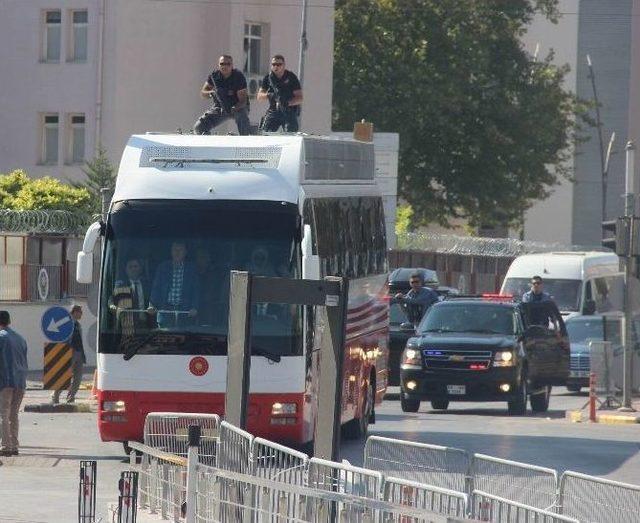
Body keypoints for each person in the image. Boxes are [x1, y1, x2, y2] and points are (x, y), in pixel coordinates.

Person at [193, 55, 251, 136]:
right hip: (220, 107)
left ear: (232, 65)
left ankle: (246, 142)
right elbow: (203, 93)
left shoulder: (238, 77)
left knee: (241, 116)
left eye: (228, 64)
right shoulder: (214, 76)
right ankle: (209, 145)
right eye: (222, 64)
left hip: (237, 107)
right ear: (219, 65)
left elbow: (243, 101)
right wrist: (212, 93)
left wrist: (234, 108)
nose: (225, 66)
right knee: (199, 127)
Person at [149, 242, 199, 327]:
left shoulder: (192, 269)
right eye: (175, 249)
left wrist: (195, 307)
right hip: (165, 311)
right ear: (171, 251)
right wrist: (152, 304)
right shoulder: (163, 267)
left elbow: (196, 290)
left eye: (180, 250)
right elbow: (156, 288)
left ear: (185, 252)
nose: (177, 252)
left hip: (185, 313)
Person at [0, 310, 28, 456]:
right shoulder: (20, 338)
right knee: (13, 414)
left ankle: (6, 447)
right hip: (20, 381)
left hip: (5, 382)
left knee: (3, 414)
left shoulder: (1, 337)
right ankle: (14, 445)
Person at [257, 55, 303, 132]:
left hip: (288, 110)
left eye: (279, 64)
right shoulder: (268, 78)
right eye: (273, 64)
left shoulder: (291, 77)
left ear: (284, 65)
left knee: (291, 133)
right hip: (274, 110)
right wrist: (269, 95)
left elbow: (299, 98)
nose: (276, 67)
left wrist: (287, 103)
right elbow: (259, 97)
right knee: (265, 133)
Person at [52, 305, 86, 405]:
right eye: (80, 312)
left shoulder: (78, 325)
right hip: (69, 351)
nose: (81, 314)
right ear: (74, 312)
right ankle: (56, 396)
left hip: (79, 352)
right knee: (64, 376)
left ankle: (71, 396)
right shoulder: (66, 323)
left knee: (78, 377)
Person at [111, 258, 151, 333]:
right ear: (126, 270)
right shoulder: (121, 285)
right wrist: (113, 306)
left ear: (140, 268)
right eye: (130, 267)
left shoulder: (147, 285)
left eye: (135, 266)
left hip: (145, 326)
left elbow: (152, 301)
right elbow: (112, 301)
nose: (133, 269)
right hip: (128, 327)